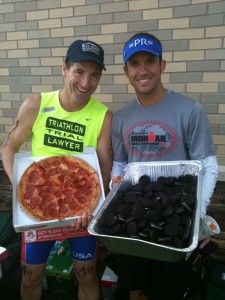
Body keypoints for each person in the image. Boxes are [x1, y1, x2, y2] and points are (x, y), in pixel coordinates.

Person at [110, 32, 218, 300]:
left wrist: (198, 219)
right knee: (135, 291)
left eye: (150, 61)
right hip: (134, 221)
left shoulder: (190, 110)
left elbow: (208, 166)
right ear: (126, 71)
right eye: (135, 64)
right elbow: (120, 163)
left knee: (170, 292)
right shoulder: (121, 118)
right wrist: (115, 182)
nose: (143, 70)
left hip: (174, 221)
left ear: (162, 65)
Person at [2, 39, 112, 300]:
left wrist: (95, 206)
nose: (86, 83)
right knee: (30, 278)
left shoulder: (103, 116)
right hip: (39, 210)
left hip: (81, 213)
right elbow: (9, 147)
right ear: (64, 69)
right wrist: (20, 185)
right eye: (79, 72)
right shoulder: (36, 105)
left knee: (86, 275)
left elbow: (104, 168)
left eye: (94, 75)